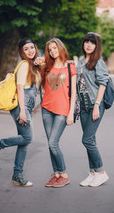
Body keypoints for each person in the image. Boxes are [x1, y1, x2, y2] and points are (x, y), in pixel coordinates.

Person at [0, 37, 41, 187]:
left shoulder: (33, 65)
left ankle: (17, 175)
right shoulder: (24, 65)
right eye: (26, 49)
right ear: (22, 52)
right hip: (20, 107)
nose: (30, 51)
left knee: (23, 142)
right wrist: (22, 111)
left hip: (27, 107)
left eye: (32, 47)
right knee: (28, 138)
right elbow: (20, 89)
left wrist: (41, 61)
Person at [41, 38, 77, 188]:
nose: (52, 51)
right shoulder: (46, 67)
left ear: (60, 48)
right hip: (46, 109)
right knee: (50, 144)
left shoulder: (70, 67)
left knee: (53, 143)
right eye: (50, 50)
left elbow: (74, 93)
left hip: (62, 110)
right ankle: (56, 175)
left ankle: (64, 174)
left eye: (55, 48)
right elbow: (43, 87)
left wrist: (70, 113)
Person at [76, 32, 109, 187]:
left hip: (94, 104)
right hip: (83, 105)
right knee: (91, 140)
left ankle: (101, 173)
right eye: (86, 42)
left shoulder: (99, 62)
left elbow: (103, 84)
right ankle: (92, 173)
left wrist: (97, 105)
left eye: (92, 42)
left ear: (96, 45)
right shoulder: (81, 61)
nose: (88, 44)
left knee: (87, 139)